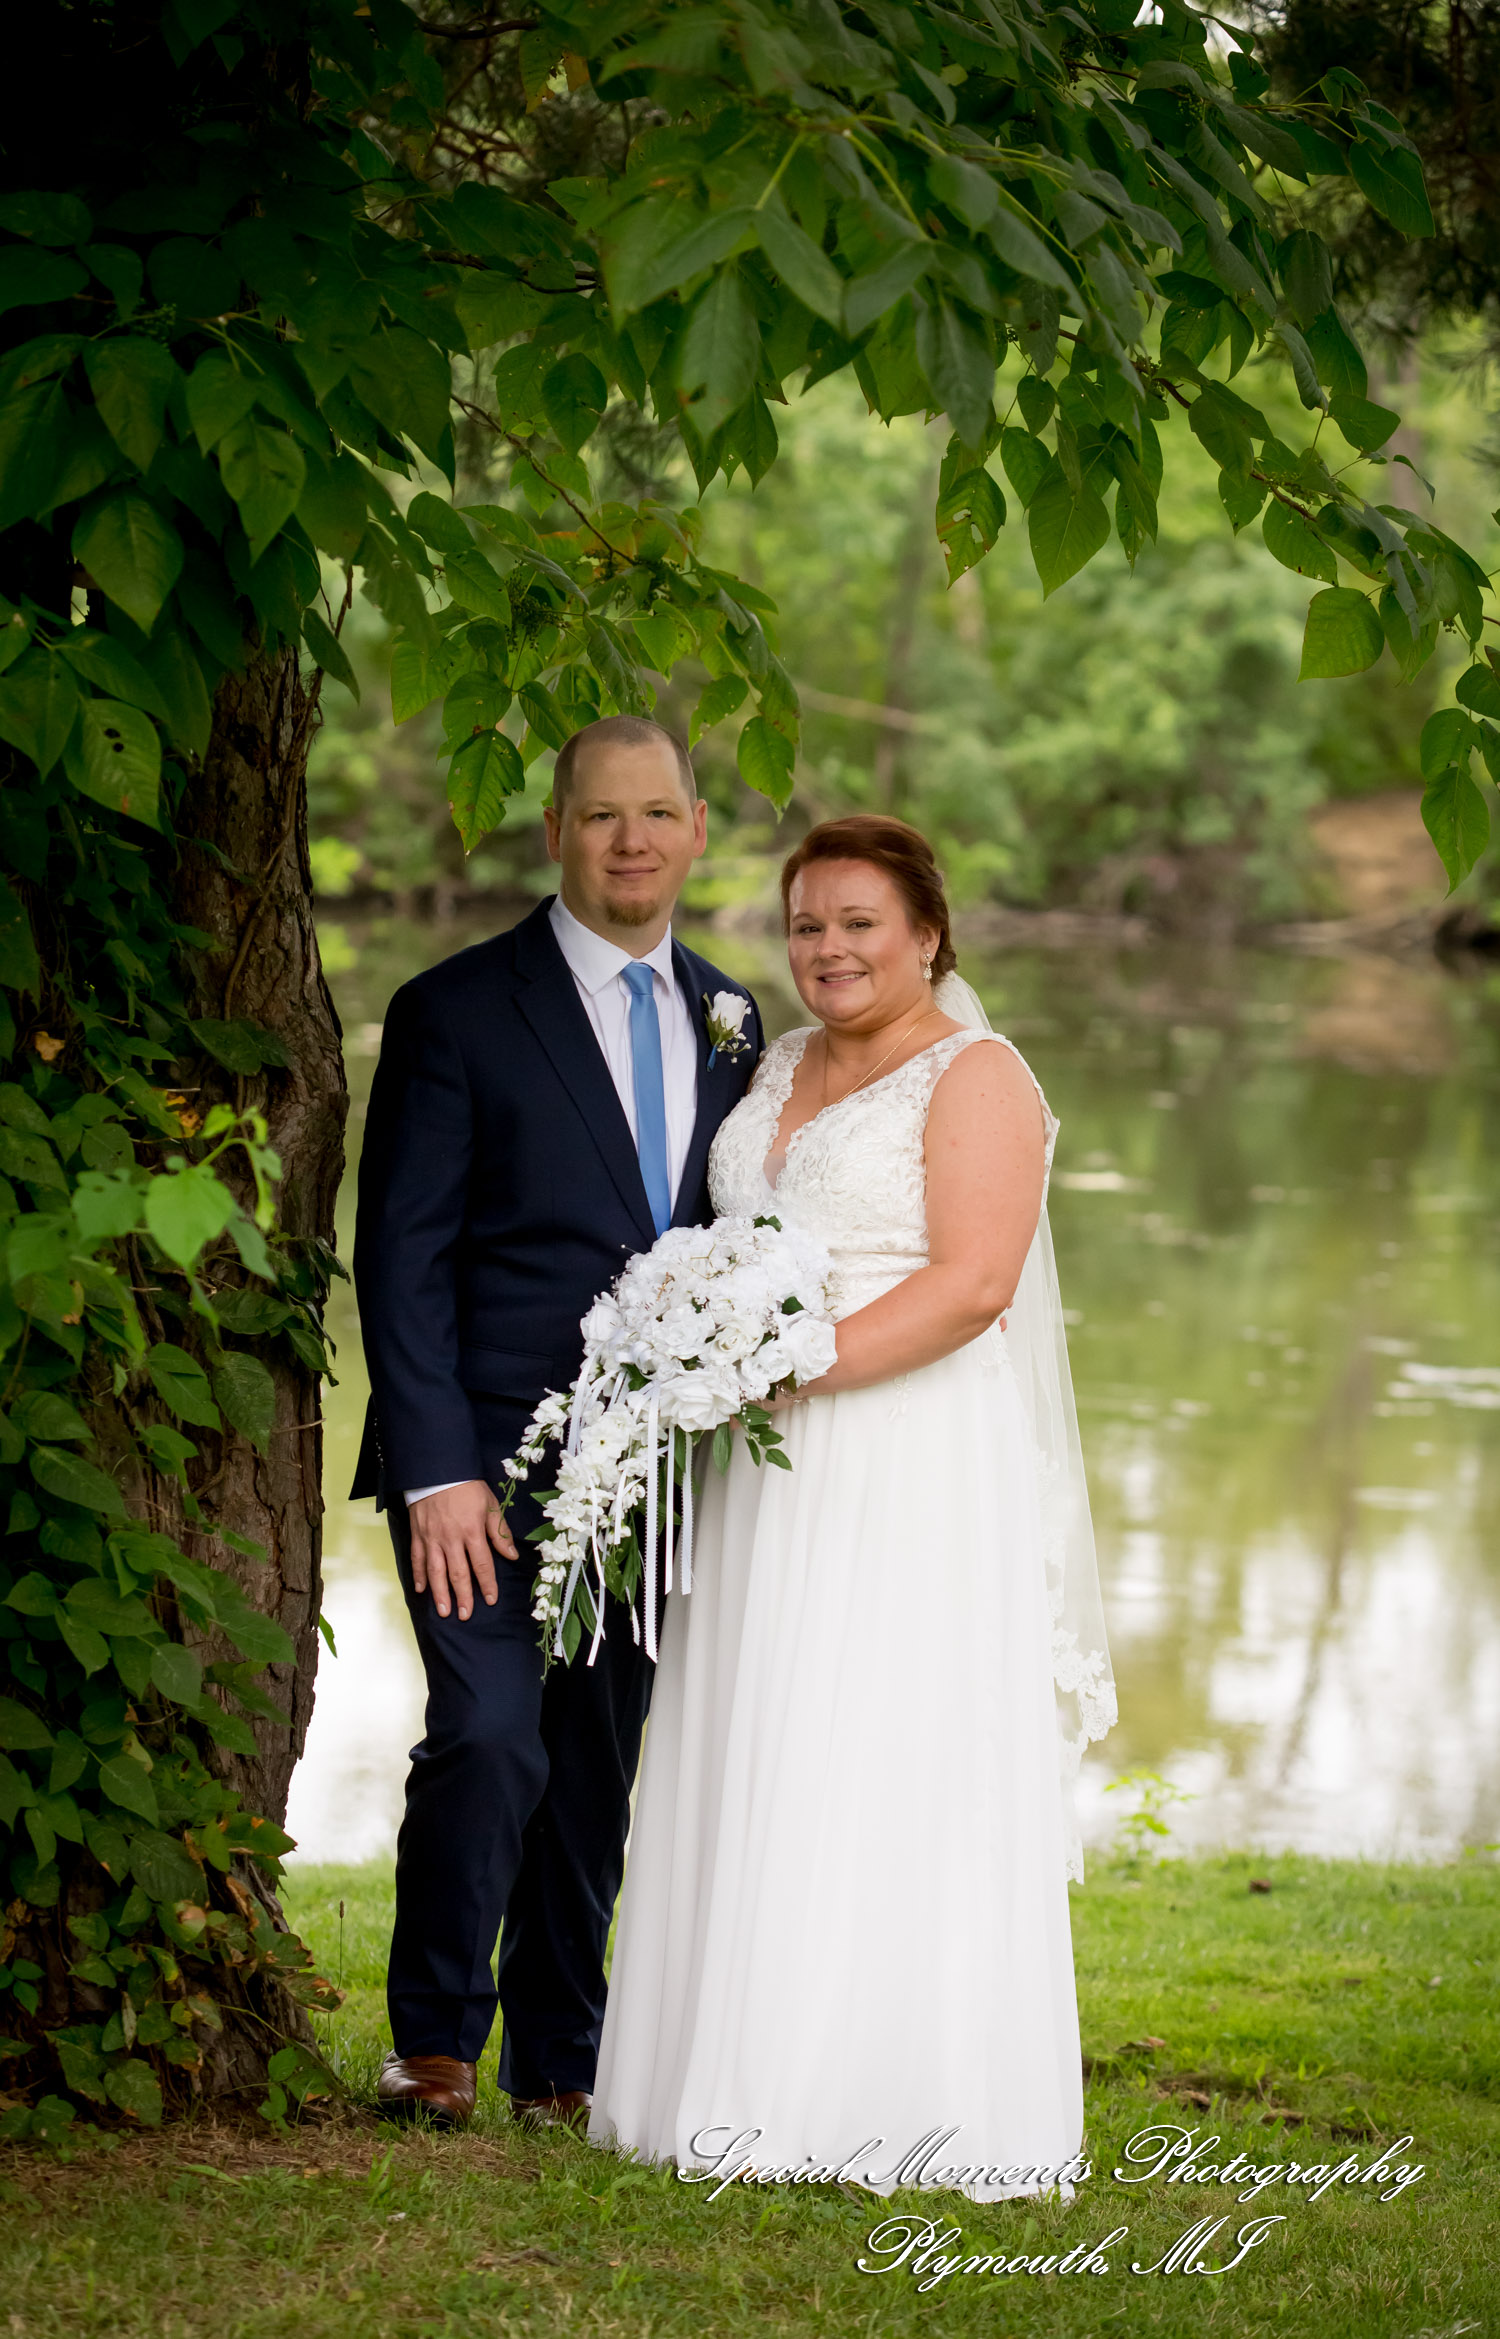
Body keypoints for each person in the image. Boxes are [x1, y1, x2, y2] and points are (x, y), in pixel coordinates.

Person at [589, 813, 1115, 2198]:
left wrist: (782, 1373)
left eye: (859, 923)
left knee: (880, 1740)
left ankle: (886, 2097)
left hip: (903, 1454)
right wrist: (709, 1348)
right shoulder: (772, 1064)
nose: (827, 948)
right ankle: (723, 2074)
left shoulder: (978, 1073)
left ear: (929, 934)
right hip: (764, 1470)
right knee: (762, 1730)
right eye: (807, 923)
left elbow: (975, 1286)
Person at [351, 715, 763, 2130]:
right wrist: (436, 1474)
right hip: (480, 1461)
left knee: (594, 1766)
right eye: (602, 817)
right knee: (489, 1736)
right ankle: (434, 2040)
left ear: (697, 832)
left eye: (657, 814)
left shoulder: (737, 1020)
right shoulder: (455, 1009)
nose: (631, 841)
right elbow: (398, 1260)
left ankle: (564, 2059)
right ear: (555, 831)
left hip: (654, 1470)